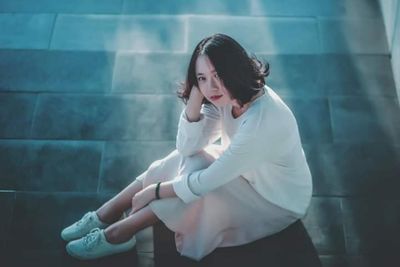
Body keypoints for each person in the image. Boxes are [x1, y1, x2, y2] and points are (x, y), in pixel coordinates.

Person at [61, 33, 313, 261]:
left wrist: (154, 191)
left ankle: (119, 233)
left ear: (234, 70)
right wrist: (195, 99)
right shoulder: (229, 96)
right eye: (202, 78)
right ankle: (106, 213)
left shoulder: (261, 121)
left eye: (218, 75)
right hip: (246, 174)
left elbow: (205, 182)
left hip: (274, 200)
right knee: (179, 162)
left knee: (194, 191)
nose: (211, 87)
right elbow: (187, 147)